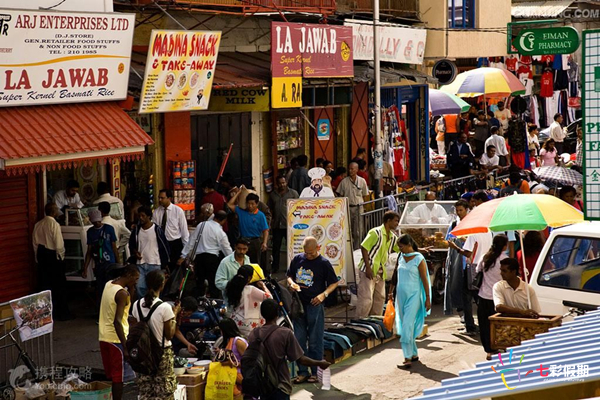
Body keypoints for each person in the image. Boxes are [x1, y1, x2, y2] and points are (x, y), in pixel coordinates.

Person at [247, 299, 331, 398]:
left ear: (262, 314)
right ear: (277, 313)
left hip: (261, 386)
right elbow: (301, 359)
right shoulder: (285, 333)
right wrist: (319, 363)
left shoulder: (254, 334)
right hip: (280, 386)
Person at [287, 237, 339, 383]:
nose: (308, 256)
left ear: (318, 247)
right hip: (299, 304)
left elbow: (334, 283)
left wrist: (324, 295)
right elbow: (289, 276)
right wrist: (292, 284)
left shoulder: (324, 263)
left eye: (311, 253)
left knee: (315, 339)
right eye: (306, 253)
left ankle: (316, 372)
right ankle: (302, 371)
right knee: (299, 339)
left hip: (315, 305)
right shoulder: (297, 259)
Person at [131, 270, 179, 400]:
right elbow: (169, 335)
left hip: (143, 353)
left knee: (146, 390)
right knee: (164, 391)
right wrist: (175, 315)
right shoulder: (165, 308)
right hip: (162, 354)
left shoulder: (136, 305)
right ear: (162, 285)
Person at [98, 265, 140, 400]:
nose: (137, 281)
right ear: (129, 275)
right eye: (136, 278)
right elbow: (117, 321)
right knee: (118, 377)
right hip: (116, 339)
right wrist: (125, 346)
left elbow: (127, 305)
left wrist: (132, 288)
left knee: (114, 375)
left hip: (104, 336)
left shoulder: (109, 285)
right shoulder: (122, 293)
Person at [394, 234, 431, 369]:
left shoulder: (419, 259)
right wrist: (390, 292)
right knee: (404, 324)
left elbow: (425, 280)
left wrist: (427, 298)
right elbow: (395, 276)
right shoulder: (401, 257)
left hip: (414, 296)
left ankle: (407, 357)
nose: (400, 249)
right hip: (400, 296)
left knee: (407, 326)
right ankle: (414, 353)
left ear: (409, 245)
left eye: (401, 246)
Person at [179, 210, 232, 298]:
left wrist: (183, 255)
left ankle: (198, 301)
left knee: (199, 282)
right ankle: (213, 302)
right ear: (223, 220)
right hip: (212, 259)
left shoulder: (201, 225)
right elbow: (226, 249)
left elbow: (191, 241)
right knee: (213, 283)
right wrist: (233, 260)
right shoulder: (220, 232)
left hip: (199, 258)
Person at [357, 211, 400, 318]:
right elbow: (364, 247)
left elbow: (401, 248)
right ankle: (360, 323)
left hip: (381, 272)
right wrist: (368, 267)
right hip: (369, 270)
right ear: (388, 221)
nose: (397, 223)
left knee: (380, 298)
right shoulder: (375, 232)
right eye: (395, 221)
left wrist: (419, 250)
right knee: (366, 299)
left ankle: (375, 323)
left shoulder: (392, 236)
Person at [33, 203, 71, 320]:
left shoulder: (38, 224)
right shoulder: (54, 224)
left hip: (42, 255)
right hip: (53, 256)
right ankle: (61, 313)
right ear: (54, 212)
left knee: (44, 284)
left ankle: (45, 313)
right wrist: (61, 257)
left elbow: (35, 243)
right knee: (58, 285)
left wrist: (36, 258)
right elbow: (59, 244)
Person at [476, 234, 509, 360]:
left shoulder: (486, 257)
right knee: (499, 324)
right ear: (504, 246)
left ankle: (489, 351)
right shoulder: (505, 260)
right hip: (499, 298)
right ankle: (499, 347)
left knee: (484, 325)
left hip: (484, 296)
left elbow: (477, 270)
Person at [129, 206, 170, 298]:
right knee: (140, 287)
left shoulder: (157, 230)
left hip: (154, 263)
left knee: (154, 288)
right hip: (141, 264)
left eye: (143, 216)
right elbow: (131, 244)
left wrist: (165, 262)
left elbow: (164, 246)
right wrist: (135, 253)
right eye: (139, 216)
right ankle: (144, 305)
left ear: (149, 217)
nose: (140, 218)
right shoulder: (137, 230)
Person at [443, 200, 470, 326]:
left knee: (469, 291)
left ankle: (469, 318)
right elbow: (448, 240)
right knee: (457, 287)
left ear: (466, 209)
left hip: (469, 261)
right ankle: (462, 315)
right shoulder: (454, 224)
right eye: (457, 210)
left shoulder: (472, 222)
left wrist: (463, 239)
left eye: (461, 210)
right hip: (457, 261)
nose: (459, 213)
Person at [226, 265, 272, 335]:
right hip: (249, 324)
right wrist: (263, 286)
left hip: (235, 321)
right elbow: (269, 298)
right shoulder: (250, 289)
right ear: (249, 278)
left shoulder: (231, 286)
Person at [227, 189, 269, 265]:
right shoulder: (241, 211)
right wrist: (239, 193)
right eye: (248, 204)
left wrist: (265, 243)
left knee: (255, 262)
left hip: (255, 241)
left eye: (252, 204)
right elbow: (229, 204)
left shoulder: (260, 215)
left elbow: (265, 230)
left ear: (257, 204)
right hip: (243, 240)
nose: (250, 206)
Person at [84, 209, 118, 300]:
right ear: (91, 221)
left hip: (110, 262)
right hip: (99, 263)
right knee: (100, 287)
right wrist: (85, 268)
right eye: (95, 222)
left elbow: (114, 247)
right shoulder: (90, 232)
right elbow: (89, 251)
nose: (97, 223)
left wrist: (118, 262)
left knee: (111, 285)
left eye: (98, 221)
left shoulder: (109, 229)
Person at [153, 189, 189, 273]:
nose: (160, 200)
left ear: (169, 198)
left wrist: (185, 253)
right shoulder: (157, 212)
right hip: (162, 243)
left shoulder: (178, 211)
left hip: (175, 244)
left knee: (175, 269)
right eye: (159, 198)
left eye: (162, 198)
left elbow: (184, 232)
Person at [268, 176, 299, 273]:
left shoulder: (293, 194)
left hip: (289, 226)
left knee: (292, 247)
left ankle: (293, 267)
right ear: (277, 184)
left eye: (283, 183)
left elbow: (298, 208)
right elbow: (269, 209)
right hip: (277, 226)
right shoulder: (273, 195)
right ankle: (275, 267)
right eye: (280, 183)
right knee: (276, 248)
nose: (282, 185)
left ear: (286, 182)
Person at [336, 162, 369, 250]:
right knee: (348, 230)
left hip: (359, 207)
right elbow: (339, 194)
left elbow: (365, 195)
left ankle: (357, 249)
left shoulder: (362, 181)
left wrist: (365, 207)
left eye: (352, 169)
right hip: (348, 208)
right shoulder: (344, 182)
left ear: (357, 170)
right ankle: (349, 249)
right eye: (349, 169)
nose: (350, 171)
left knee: (358, 231)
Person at [214, 318, 247, 400]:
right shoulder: (229, 341)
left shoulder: (238, 342)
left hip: (240, 377)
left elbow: (248, 362)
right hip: (231, 376)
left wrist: (231, 364)